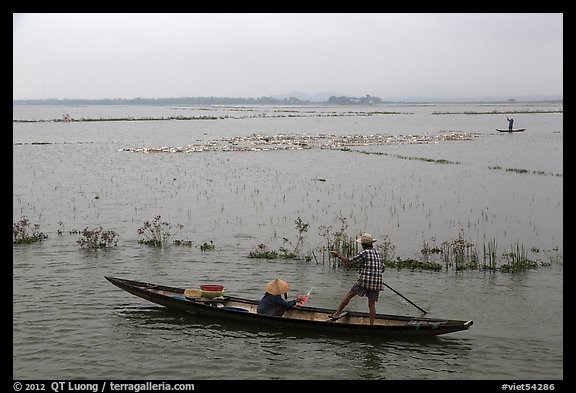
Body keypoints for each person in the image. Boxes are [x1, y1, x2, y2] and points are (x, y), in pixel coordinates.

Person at [330, 233, 385, 325]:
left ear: (363, 245)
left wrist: (338, 256)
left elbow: (350, 261)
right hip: (377, 282)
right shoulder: (378, 253)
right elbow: (382, 269)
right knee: (372, 304)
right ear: (371, 243)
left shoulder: (365, 253)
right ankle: (371, 325)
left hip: (364, 281)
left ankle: (337, 314)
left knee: (350, 294)